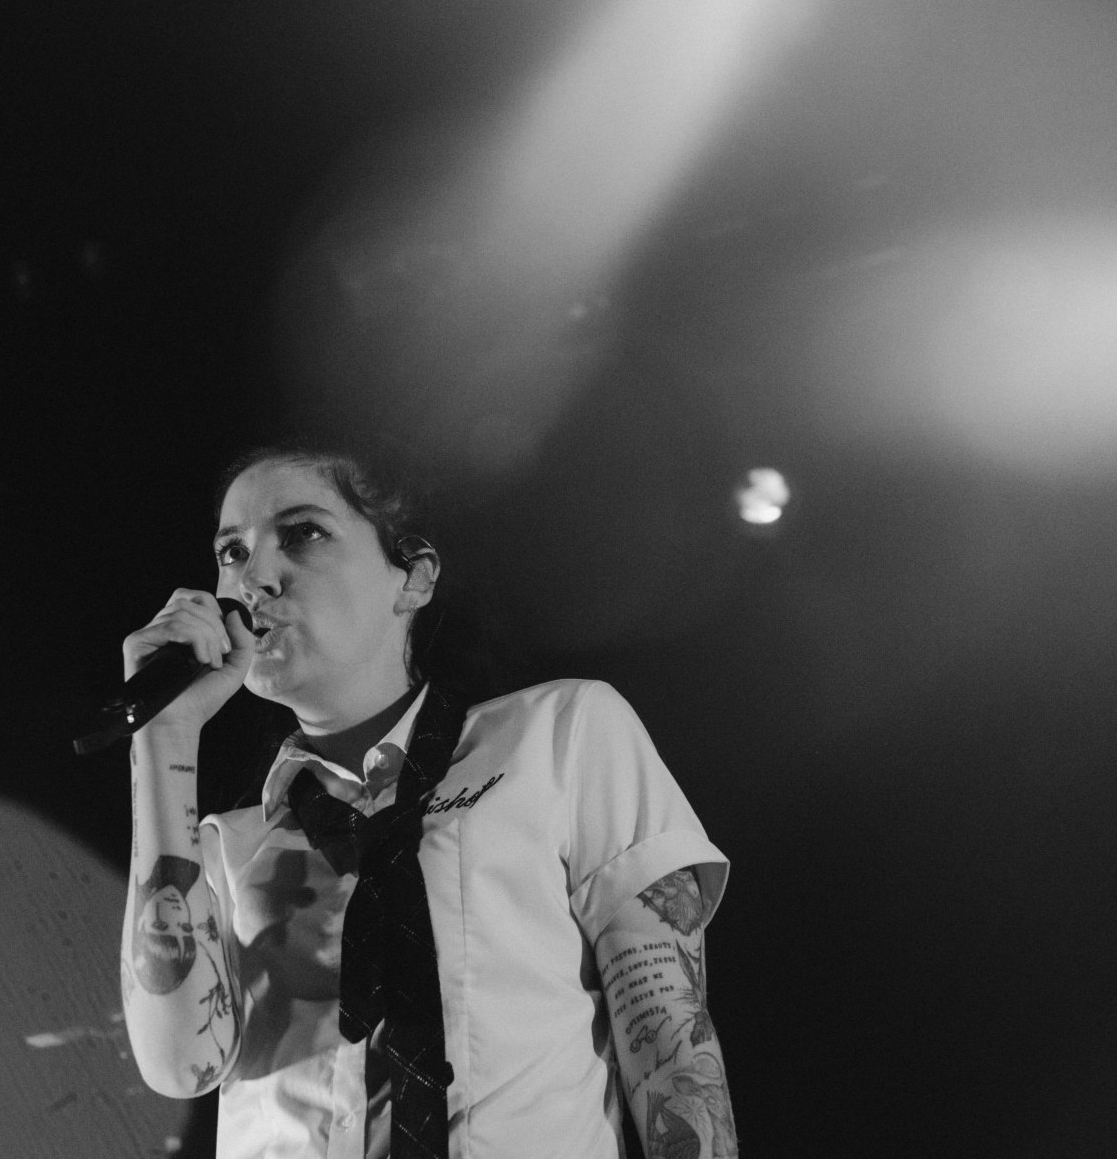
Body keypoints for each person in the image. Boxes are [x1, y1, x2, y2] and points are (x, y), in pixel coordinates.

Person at [119, 443, 736, 1159]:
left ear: (413, 578)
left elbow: (671, 1051)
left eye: (302, 533)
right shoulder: (226, 846)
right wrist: (163, 738)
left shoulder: (560, 735)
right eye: (231, 552)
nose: (252, 578)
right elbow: (180, 1068)